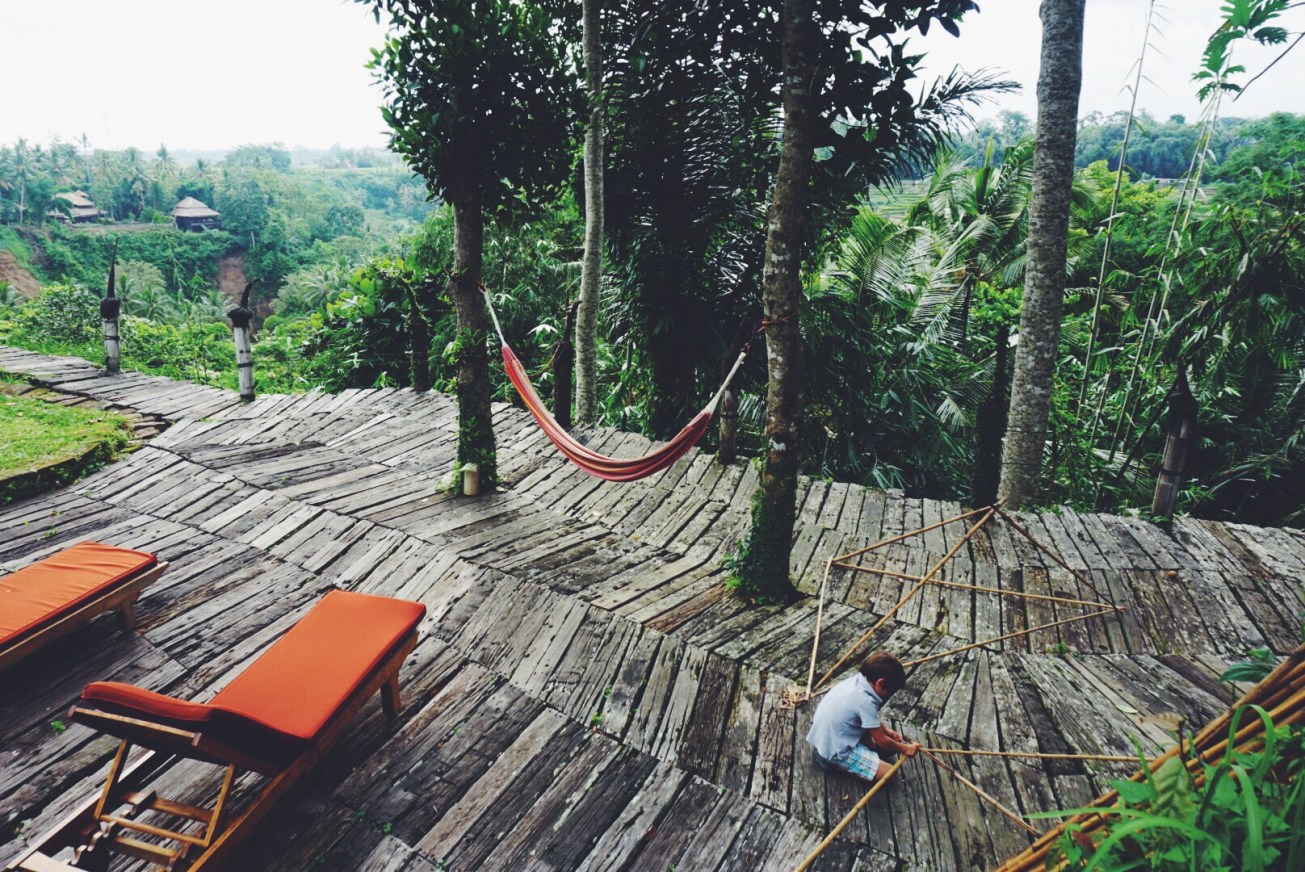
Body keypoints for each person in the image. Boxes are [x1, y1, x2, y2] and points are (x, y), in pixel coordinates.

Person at [806, 651, 920, 782]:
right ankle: (834, 763)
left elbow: (866, 718)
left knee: (889, 747)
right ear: (880, 682)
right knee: (890, 774)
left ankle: (865, 753)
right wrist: (905, 748)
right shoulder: (865, 701)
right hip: (834, 750)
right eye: (890, 690)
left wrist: (887, 731)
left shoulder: (857, 681)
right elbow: (881, 740)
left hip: (826, 737)